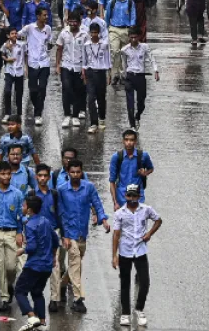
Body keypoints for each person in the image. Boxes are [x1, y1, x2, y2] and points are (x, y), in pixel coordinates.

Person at [58, 158, 109, 314]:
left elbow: (97, 204)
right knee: (75, 261)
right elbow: (60, 213)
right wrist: (64, 235)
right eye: (72, 172)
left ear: (82, 172)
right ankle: (78, 299)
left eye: (78, 172)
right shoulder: (61, 190)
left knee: (76, 263)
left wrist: (104, 219)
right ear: (68, 173)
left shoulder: (89, 188)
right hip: (68, 234)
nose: (75, 174)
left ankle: (61, 285)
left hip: (82, 234)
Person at [112, 184, 161, 327]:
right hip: (125, 251)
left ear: (139, 196)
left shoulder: (146, 210)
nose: (132, 198)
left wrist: (149, 234)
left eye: (134, 196)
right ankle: (125, 313)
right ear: (125, 196)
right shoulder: (120, 213)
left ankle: (139, 309)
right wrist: (114, 256)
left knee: (145, 282)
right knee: (125, 283)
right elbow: (116, 235)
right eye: (129, 195)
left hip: (140, 251)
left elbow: (158, 220)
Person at [14, 195, 60, 331]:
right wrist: (53, 257)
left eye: (24, 205)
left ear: (29, 210)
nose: (22, 207)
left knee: (19, 291)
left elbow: (32, 247)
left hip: (34, 265)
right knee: (37, 292)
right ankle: (42, 322)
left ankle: (31, 316)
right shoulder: (46, 221)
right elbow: (56, 240)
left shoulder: (30, 225)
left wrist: (22, 250)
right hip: (46, 266)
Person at [0, 160, 24, 312]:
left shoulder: (17, 194)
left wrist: (20, 232)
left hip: (11, 232)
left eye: (8, 174)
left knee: (11, 266)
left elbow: (20, 215)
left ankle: (9, 284)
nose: (6, 177)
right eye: (3, 174)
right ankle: (3, 298)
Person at [19, 7, 53, 125]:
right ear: (38, 16)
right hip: (32, 62)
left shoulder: (48, 28)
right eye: (44, 15)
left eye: (47, 15)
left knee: (42, 87)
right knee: (33, 90)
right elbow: (18, 36)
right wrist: (25, 46)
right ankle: (37, 106)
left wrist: (49, 46)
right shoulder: (29, 28)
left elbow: (49, 41)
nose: (46, 17)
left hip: (44, 62)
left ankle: (38, 114)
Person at [121, 27, 159, 130]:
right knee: (130, 103)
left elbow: (152, 58)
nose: (133, 39)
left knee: (141, 102)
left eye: (135, 37)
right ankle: (132, 125)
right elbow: (124, 64)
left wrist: (156, 70)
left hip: (141, 77)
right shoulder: (125, 50)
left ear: (139, 37)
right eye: (131, 37)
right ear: (129, 37)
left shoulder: (144, 47)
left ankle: (137, 116)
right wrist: (123, 77)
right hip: (129, 76)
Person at [108, 128, 154, 211]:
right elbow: (112, 181)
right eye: (126, 140)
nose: (129, 143)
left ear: (135, 141)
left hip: (138, 197)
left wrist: (145, 173)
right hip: (122, 198)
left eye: (131, 140)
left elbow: (151, 168)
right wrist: (115, 202)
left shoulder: (143, 156)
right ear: (123, 141)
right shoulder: (117, 157)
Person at [82, 21, 110, 133]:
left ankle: (102, 119)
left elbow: (108, 60)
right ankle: (93, 123)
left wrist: (109, 74)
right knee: (90, 98)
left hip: (101, 72)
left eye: (96, 33)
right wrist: (84, 74)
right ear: (89, 33)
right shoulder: (86, 45)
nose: (94, 35)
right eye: (92, 32)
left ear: (99, 33)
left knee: (101, 97)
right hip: (90, 72)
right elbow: (84, 61)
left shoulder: (104, 44)